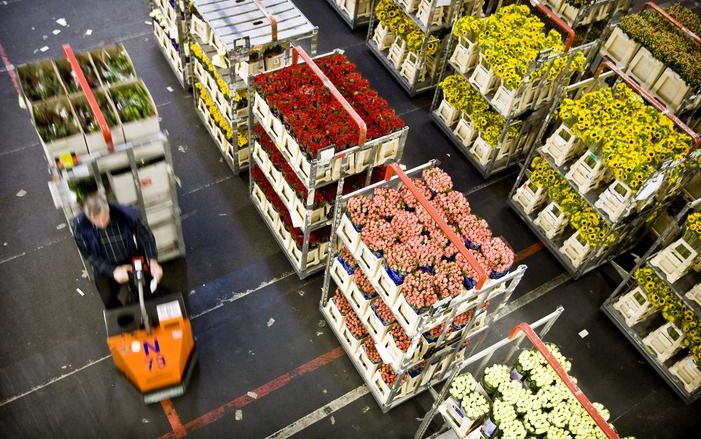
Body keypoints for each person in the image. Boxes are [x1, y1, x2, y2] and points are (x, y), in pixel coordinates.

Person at [73, 193, 163, 309]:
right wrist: (113, 271)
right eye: (96, 222)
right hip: (105, 264)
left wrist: (153, 261)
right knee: (109, 300)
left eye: (104, 218)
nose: (101, 224)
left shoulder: (127, 215)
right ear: (89, 218)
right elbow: (88, 254)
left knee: (147, 290)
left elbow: (146, 237)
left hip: (129, 257)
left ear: (108, 210)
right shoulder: (80, 227)